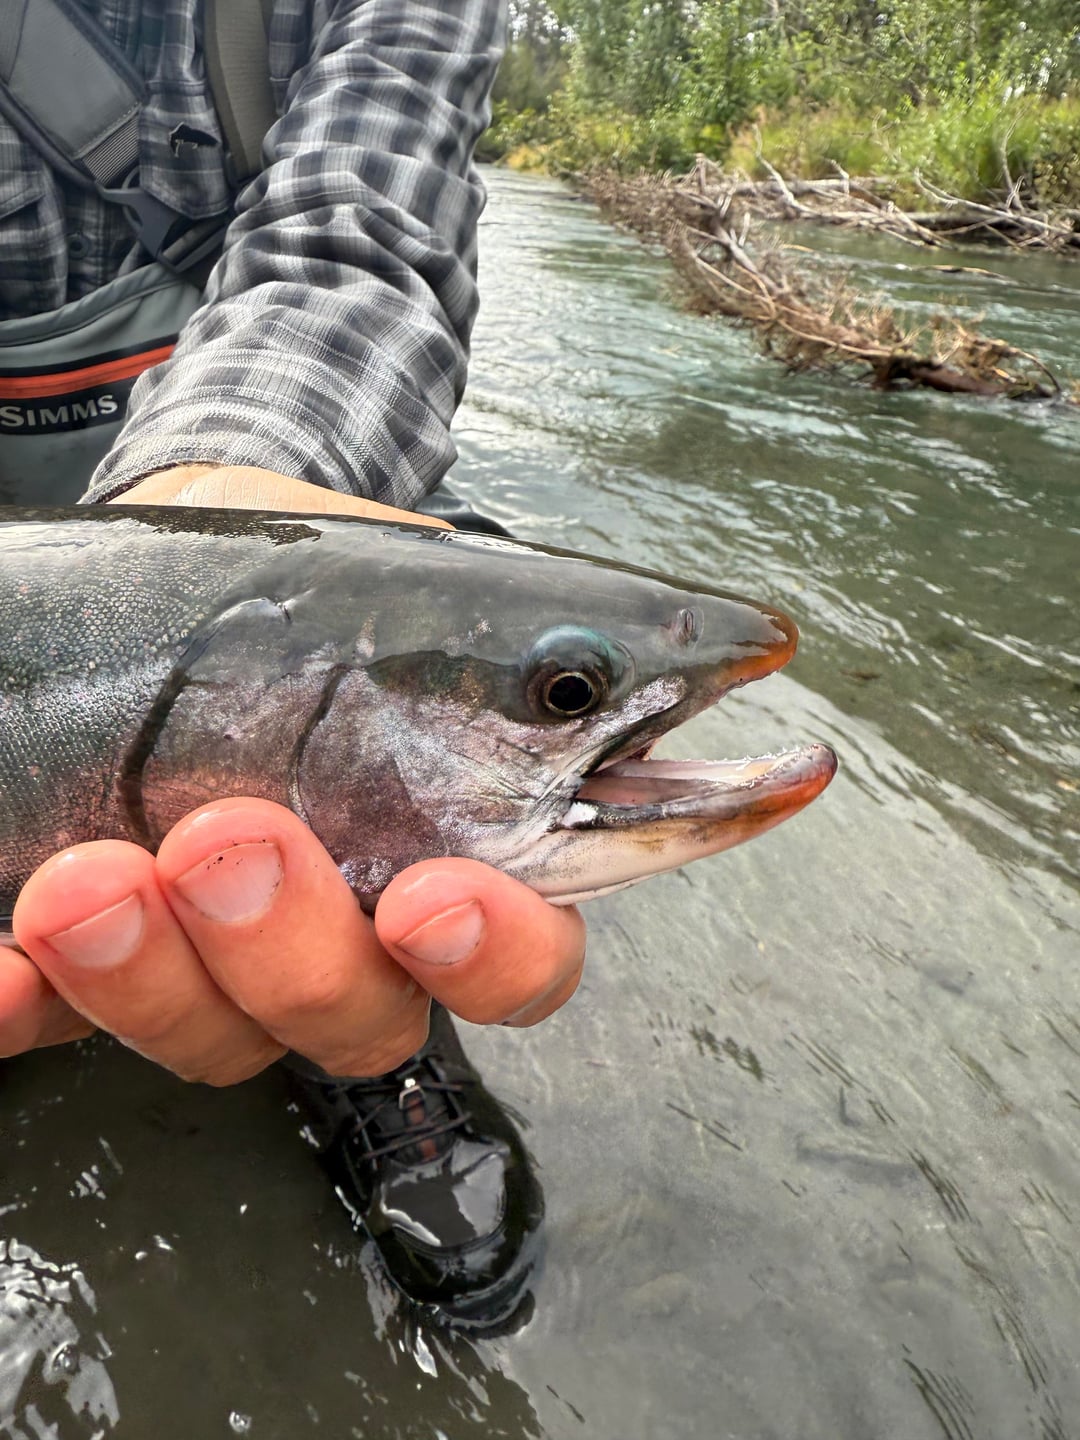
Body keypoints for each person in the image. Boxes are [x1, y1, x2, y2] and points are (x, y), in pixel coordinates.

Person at [0, 0, 585, 1327]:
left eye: (568, 696)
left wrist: (211, 520)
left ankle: (368, 1017)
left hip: (271, 481)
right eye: (569, 696)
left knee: (332, 841)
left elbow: (356, 239)